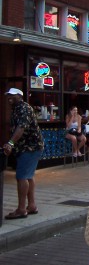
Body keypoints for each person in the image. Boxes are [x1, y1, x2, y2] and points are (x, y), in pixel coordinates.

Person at [3, 88, 44, 219]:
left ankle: (21, 209)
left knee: (22, 176)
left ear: (19, 96)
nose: (9, 97)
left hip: (30, 147)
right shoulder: (17, 109)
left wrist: (10, 143)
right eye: (8, 95)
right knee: (28, 176)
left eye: (12, 95)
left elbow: (21, 127)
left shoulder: (23, 108)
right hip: (27, 147)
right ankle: (31, 206)